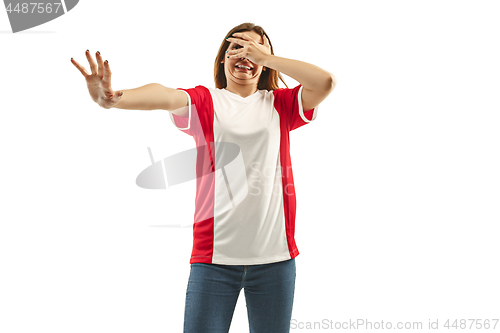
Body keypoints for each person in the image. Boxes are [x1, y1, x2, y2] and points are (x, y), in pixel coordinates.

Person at [71, 22, 336, 333]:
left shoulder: (282, 104)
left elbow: (325, 82)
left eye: (253, 49)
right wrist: (112, 98)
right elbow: (164, 95)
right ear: (223, 58)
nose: (245, 55)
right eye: (236, 47)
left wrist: (267, 57)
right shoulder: (205, 101)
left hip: (276, 260)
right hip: (213, 261)